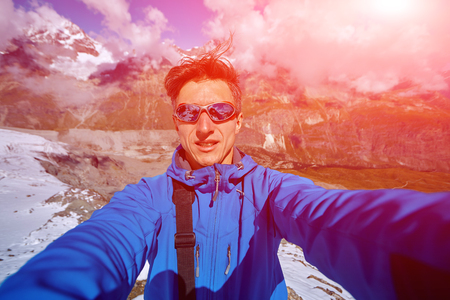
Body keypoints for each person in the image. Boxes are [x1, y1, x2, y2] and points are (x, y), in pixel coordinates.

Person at [0, 39, 449, 300]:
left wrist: (430, 245)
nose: (205, 126)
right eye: (188, 113)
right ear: (175, 120)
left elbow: (338, 220)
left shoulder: (271, 192)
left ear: (239, 119)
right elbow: (101, 246)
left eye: (219, 110)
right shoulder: (148, 198)